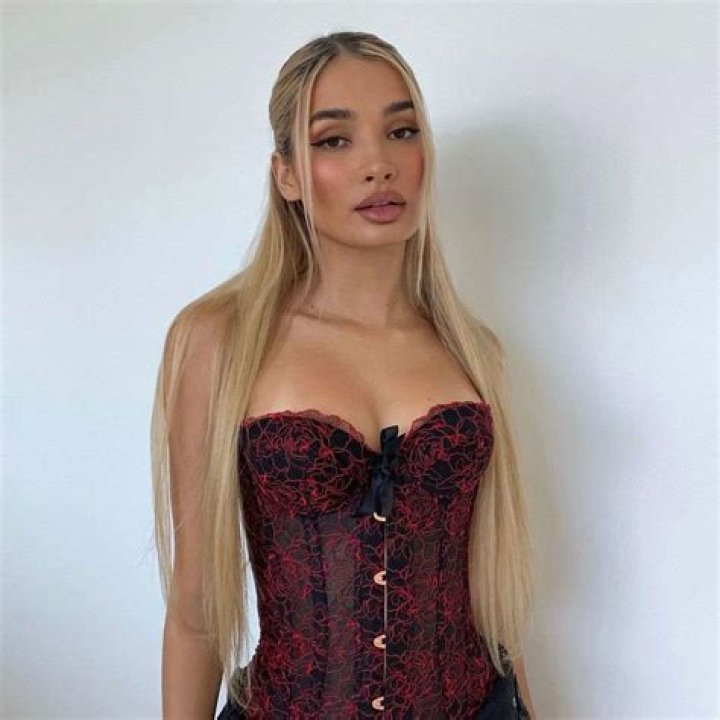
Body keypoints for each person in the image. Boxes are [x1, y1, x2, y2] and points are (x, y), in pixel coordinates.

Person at [151, 30, 537, 719]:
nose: (378, 165)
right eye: (334, 140)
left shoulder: (474, 351)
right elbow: (196, 609)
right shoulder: (219, 340)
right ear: (287, 175)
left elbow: (493, 602)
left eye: (401, 131)